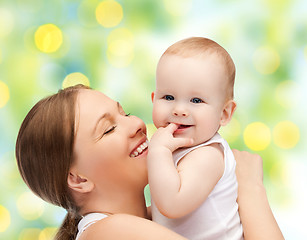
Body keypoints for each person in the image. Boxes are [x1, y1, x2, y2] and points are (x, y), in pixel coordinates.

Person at [15, 84, 284, 240]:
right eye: (108, 129)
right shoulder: (110, 232)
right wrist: (250, 189)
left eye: (125, 113)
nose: (135, 123)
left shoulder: (159, 219)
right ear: (78, 179)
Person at [148, 37, 240, 239]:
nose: (179, 110)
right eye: (169, 97)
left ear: (224, 113)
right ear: (154, 99)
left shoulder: (208, 155)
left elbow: (172, 204)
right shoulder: (172, 147)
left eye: (196, 100)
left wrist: (158, 152)